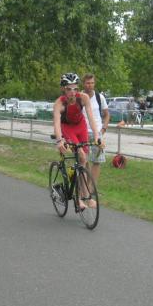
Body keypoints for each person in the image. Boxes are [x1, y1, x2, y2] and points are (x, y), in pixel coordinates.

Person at [52, 73, 100, 210]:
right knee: (81, 155)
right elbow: (56, 124)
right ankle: (79, 198)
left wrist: (97, 135)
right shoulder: (59, 103)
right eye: (69, 89)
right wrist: (59, 140)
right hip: (67, 128)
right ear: (63, 89)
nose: (72, 92)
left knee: (83, 161)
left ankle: (85, 196)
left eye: (75, 89)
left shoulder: (83, 98)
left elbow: (90, 117)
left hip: (81, 126)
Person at [82, 73, 109, 185]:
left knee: (97, 161)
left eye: (92, 83)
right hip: (83, 132)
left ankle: (91, 188)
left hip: (97, 133)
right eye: (88, 83)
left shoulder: (99, 97)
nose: (90, 85)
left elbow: (107, 115)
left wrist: (103, 129)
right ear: (83, 84)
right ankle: (85, 186)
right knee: (84, 160)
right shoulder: (79, 97)